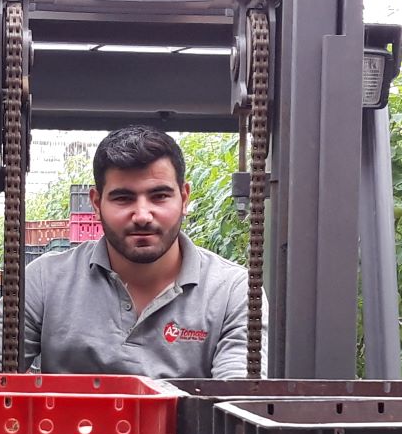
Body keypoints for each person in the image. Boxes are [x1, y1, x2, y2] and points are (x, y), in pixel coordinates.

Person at [13, 125, 247, 379]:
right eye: (123, 198)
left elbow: (237, 394)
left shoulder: (231, 290)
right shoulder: (45, 281)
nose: (142, 216)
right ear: (96, 203)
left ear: (184, 197)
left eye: (159, 196)